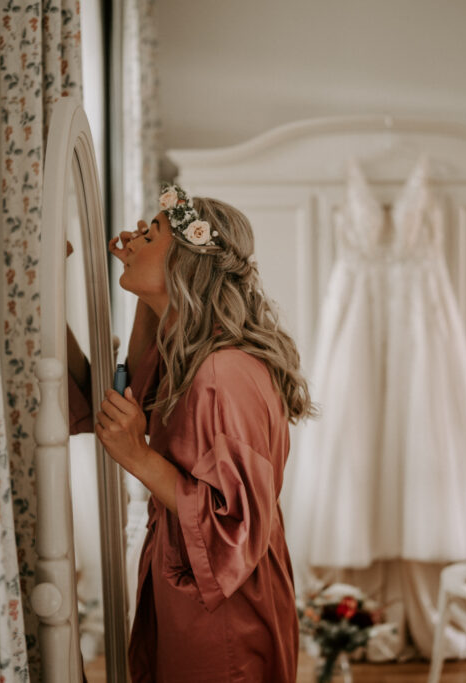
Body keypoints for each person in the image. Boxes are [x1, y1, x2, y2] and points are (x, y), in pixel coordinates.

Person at [94, 183, 313, 682]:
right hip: (194, 579)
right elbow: (134, 389)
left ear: (183, 266)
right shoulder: (188, 354)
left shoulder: (222, 373)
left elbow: (236, 526)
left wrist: (138, 455)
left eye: (150, 234)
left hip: (225, 602)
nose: (130, 238)